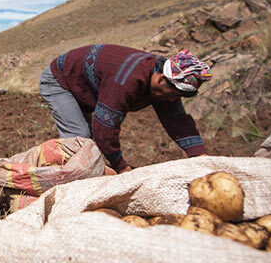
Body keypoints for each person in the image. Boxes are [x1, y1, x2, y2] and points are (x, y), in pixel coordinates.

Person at [38, 45, 212, 173]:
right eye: (174, 94)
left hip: (84, 85)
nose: (174, 99)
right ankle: (67, 187)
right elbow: (104, 129)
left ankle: (79, 174)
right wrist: (121, 167)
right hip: (60, 80)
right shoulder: (127, 80)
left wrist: (200, 156)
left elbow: (178, 121)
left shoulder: (165, 86)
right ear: (161, 79)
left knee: (86, 147)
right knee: (80, 138)